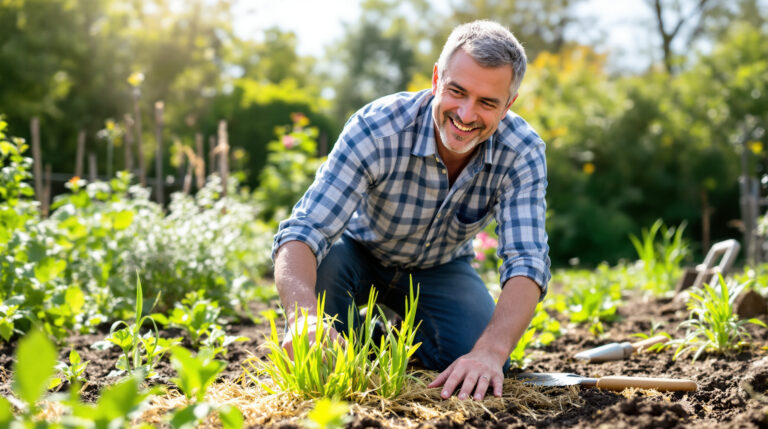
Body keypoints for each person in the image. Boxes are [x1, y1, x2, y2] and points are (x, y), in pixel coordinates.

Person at [271, 20, 550, 402]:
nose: (466, 115)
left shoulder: (522, 152)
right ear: (437, 79)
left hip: (441, 268)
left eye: (487, 103)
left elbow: (527, 261)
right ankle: (354, 340)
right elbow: (304, 230)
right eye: (457, 92)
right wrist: (302, 318)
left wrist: (490, 351)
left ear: (509, 105)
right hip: (357, 254)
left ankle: (399, 342)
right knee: (323, 321)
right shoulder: (377, 128)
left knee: (483, 359)